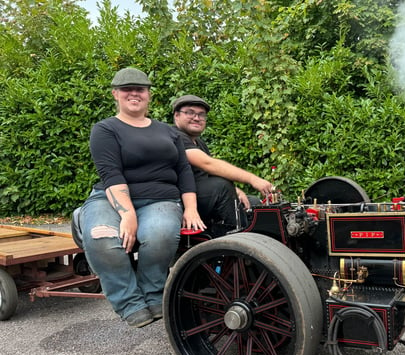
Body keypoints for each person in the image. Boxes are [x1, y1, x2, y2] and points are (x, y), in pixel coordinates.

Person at [80, 68, 206, 328]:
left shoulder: (168, 132)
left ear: (149, 95)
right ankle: (129, 302)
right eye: (127, 89)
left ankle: (152, 294)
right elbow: (111, 174)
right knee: (102, 239)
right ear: (116, 94)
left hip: (161, 200)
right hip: (111, 199)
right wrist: (128, 215)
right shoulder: (105, 129)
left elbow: (184, 171)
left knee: (160, 236)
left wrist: (190, 208)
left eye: (140, 89)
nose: (134, 93)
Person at [171, 94, 273, 228]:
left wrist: (235, 190)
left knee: (252, 202)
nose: (196, 118)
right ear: (176, 115)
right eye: (190, 113)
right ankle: (240, 239)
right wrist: (253, 179)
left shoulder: (199, 143)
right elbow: (208, 164)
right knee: (222, 186)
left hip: (201, 195)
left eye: (201, 115)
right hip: (183, 199)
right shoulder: (175, 136)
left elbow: (209, 174)